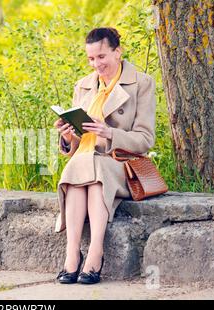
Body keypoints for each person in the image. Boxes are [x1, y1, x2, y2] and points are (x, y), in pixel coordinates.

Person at [54, 27, 156, 285]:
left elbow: (145, 140)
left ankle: (95, 251)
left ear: (117, 52)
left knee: (92, 167)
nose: (96, 64)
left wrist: (109, 132)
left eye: (101, 56)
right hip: (86, 160)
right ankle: (72, 254)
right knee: (80, 166)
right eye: (90, 58)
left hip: (120, 162)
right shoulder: (84, 85)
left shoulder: (141, 83)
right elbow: (76, 145)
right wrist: (67, 136)